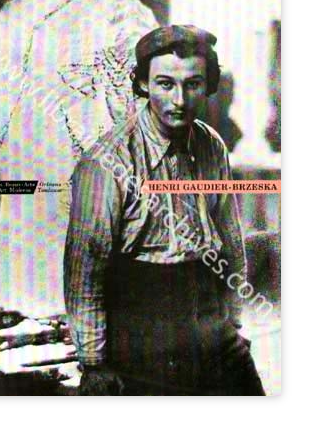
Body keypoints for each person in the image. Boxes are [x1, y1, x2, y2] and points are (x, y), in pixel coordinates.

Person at [64, 25, 266, 396]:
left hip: (209, 315)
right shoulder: (107, 162)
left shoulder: (212, 145)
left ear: (208, 85)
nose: (180, 100)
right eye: (165, 84)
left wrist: (234, 326)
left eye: (193, 84)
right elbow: (86, 269)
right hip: (142, 327)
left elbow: (231, 243)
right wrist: (93, 363)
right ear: (143, 84)